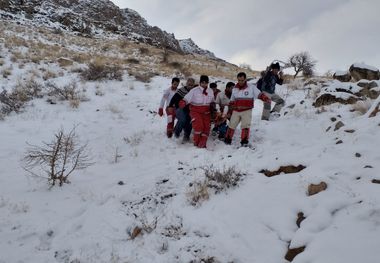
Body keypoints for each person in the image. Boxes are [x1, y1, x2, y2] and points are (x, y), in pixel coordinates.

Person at [224, 72, 271, 146]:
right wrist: (229, 112)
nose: (240, 82)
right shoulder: (235, 89)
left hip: (247, 110)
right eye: (239, 80)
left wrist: (265, 98)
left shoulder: (251, 87)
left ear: (245, 79)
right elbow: (232, 102)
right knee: (231, 125)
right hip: (236, 110)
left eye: (242, 80)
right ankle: (227, 139)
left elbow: (259, 94)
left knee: (245, 126)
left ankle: (244, 141)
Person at [179, 75, 214, 148]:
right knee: (199, 126)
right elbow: (187, 98)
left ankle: (202, 143)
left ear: (208, 83)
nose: (204, 84)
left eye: (206, 83)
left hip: (206, 112)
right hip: (195, 111)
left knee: (206, 128)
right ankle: (196, 142)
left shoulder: (210, 91)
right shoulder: (194, 90)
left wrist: (214, 108)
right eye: (202, 82)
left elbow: (212, 101)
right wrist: (183, 102)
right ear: (200, 82)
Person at [168, 78, 196, 142]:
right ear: (186, 84)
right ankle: (176, 132)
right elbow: (173, 98)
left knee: (190, 120)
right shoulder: (182, 90)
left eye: (192, 85)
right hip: (180, 108)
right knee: (183, 118)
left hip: (190, 109)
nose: (190, 86)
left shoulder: (195, 91)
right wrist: (170, 106)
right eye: (189, 84)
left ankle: (187, 135)